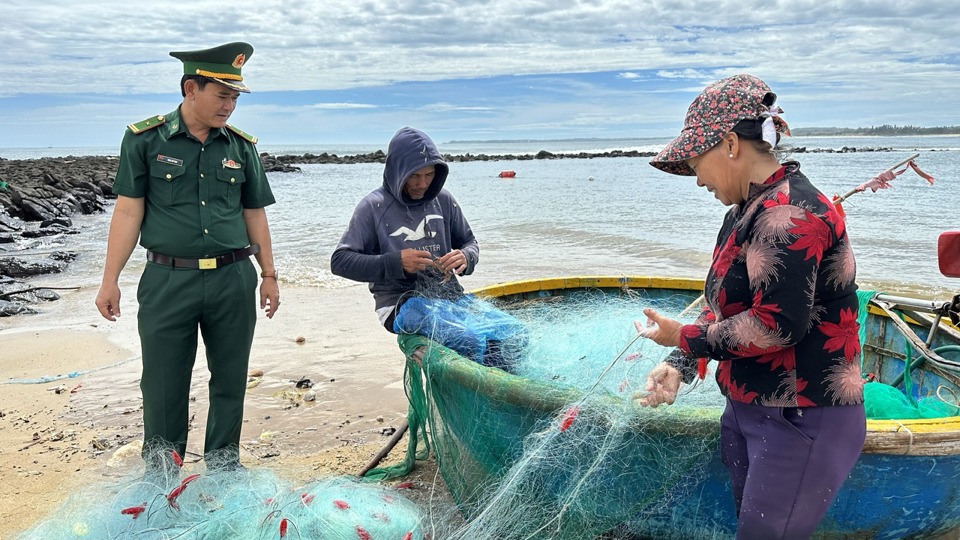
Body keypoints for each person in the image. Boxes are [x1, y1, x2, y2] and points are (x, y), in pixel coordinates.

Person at [637, 74, 866, 539]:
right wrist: (681, 360)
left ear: (729, 145)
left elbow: (777, 325)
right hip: (748, 405)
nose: (696, 177)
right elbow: (722, 304)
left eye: (695, 161)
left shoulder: (792, 212)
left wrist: (684, 335)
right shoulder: (744, 211)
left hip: (801, 413)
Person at [94, 42, 279, 470]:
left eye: (235, 97)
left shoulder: (241, 147)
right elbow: (128, 210)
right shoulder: (144, 139)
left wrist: (269, 274)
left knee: (231, 380)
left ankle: (224, 467)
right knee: (162, 384)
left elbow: (255, 212)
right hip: (167, 279)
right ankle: (162, 473)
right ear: (190, 87)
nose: (230, 106)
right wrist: (110, 280)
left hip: (233, 277)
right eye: (222, 95)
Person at [331, 126, 523, 369]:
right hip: (401, 303)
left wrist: (465, 257)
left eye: (429, 175)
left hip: (449, 297)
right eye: (414, 176)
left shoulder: (443, 200)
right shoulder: (373, 207)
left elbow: (470, 242)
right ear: (397, 170)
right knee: (469, 340)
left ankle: (505, 393)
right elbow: (340, 262)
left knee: (515, 333)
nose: (422, 184)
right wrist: (397, 262)